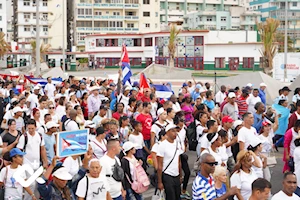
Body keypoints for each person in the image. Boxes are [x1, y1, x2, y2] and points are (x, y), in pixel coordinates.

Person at [157, 124, 182, 200]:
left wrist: (180, 175)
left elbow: (178, 160)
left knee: (178, 196)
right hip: (167, 175)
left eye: (176, 131)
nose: (175, 133)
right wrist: (160, 182)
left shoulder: (177, 143)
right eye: (173, 131)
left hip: (176, 175)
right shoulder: (162, 145)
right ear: (167, 132)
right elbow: (160, 165)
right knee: (171, 197)